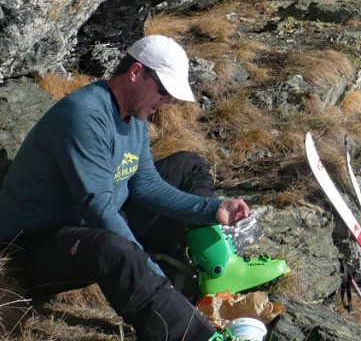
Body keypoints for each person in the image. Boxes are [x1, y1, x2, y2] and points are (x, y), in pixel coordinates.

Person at [0, 35, 247, 341]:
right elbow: (98, 210)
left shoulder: (134, 113)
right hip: (35, 245)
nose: (168, 101)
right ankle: (196, 335)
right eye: (164, 90)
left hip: (92, 222)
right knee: (118, 251)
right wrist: (153, 275)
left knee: (187, 164)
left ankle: (217, 263)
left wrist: (211, 209)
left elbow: (145, 183)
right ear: (136, 72)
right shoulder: (85, 116)